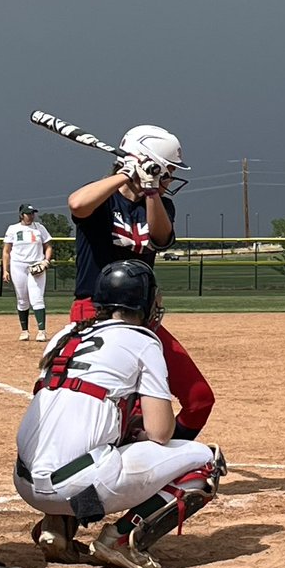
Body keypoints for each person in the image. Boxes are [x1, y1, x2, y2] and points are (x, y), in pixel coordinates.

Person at [13, 260, 226, 568]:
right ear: (143, 303)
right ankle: (121, 539)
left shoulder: (67, 333)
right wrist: (139, 433)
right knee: (207, 461)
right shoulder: (143, 341)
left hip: (25, 482)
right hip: (74, 486)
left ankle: (56, 527)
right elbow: (161, 432)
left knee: (92, 434)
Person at [68, 124, 214, 440]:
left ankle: (161, 460)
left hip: (140, 315)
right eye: (168, 171)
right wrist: (126, 173)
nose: (170, 179)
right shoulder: (102, 199)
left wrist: (149, 191)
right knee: (127, 409)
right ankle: (125, 472)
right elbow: (77, 205)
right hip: (95, 312)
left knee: (199, 398)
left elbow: (161, 237)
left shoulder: (160, 204)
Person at [2, 204, 53, 342]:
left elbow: (48, 246)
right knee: (22, 299)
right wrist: (5, 270)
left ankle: (41, 331)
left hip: (36, 265)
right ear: (21, 215)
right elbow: (6, 251)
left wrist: (46, 261)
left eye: (32, 213)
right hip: (18, 266)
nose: (31, 216)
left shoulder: (39, 228)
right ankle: (24, 331)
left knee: (37, 298)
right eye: (28, 213)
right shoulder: (13, 229)